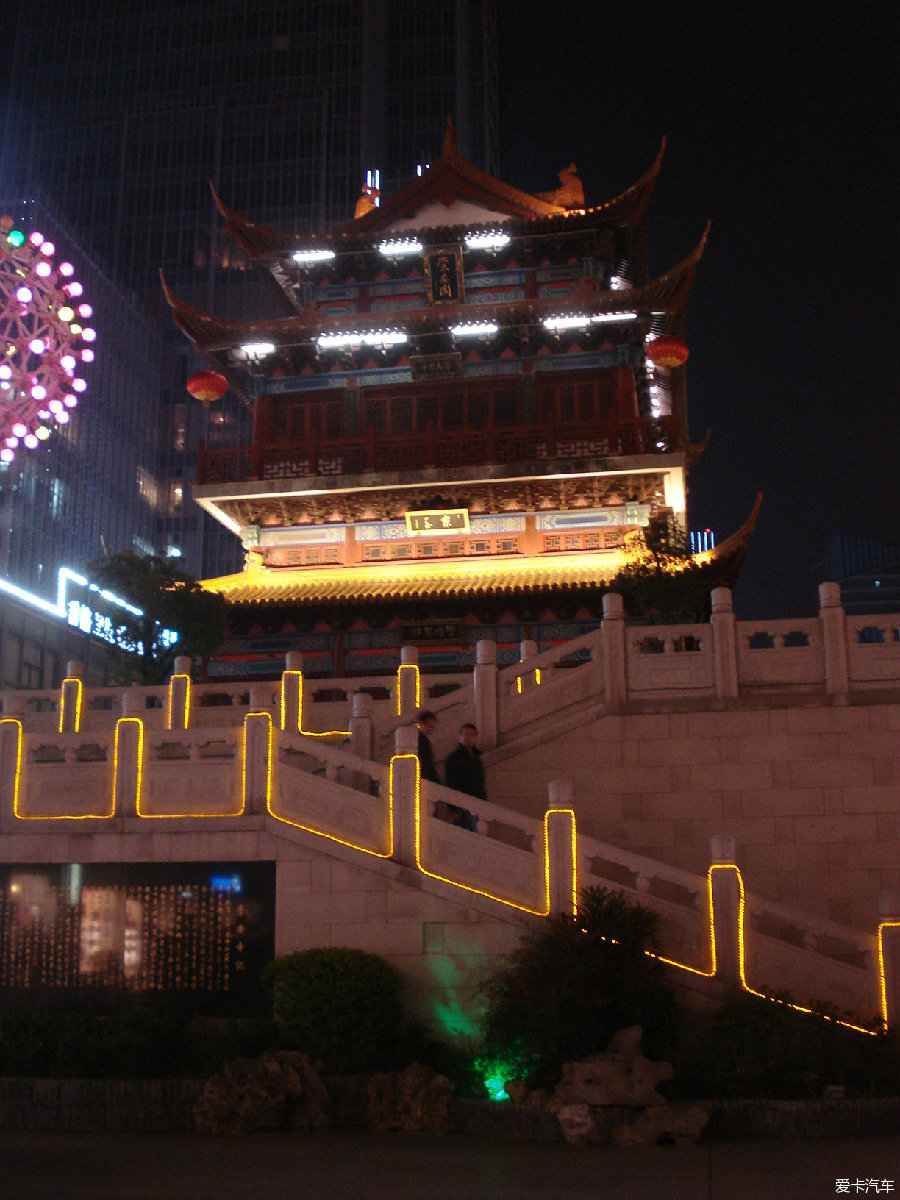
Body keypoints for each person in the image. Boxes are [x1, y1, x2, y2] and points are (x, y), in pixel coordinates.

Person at [441, 723, 484, 831]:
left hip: (476, 803)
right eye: (465, 734)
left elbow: (480, 783)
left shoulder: (477, 758)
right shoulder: (454, 758)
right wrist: (452, 808)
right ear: (460, 737)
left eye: (471, 735)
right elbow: (450, 783)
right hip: (460, 804)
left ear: (475, 738)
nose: (468, 737)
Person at [416, 710, 440, 784]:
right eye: (429, 726)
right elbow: (426, 762)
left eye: (432, 727)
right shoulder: (421, 740)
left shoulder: (421, 739)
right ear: (420, 724)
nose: (430, 730)